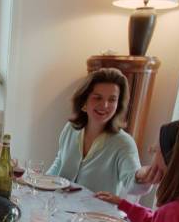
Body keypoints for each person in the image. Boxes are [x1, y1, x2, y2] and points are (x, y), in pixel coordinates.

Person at [46, 68, 161, 196]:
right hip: (59, 208)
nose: (105, 105)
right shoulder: (70, 128)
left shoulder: (123, 143)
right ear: (84, 100)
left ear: (118, 104)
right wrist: (40, 184)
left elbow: (132, 184)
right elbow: (59, 163)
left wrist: (141, 176)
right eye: (97, 98)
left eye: (112, 100)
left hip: (96, 214)